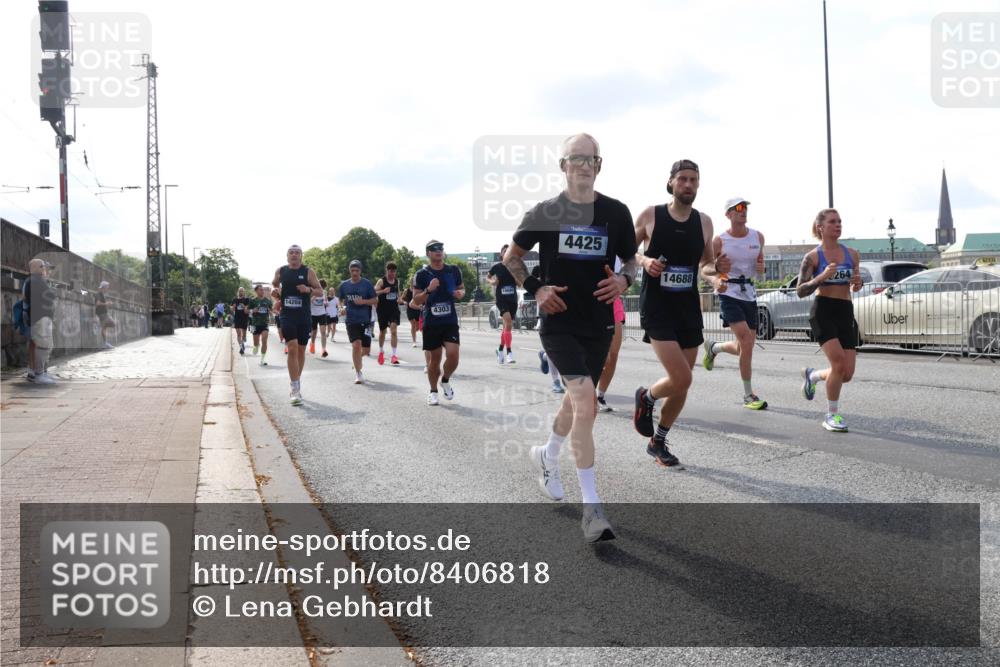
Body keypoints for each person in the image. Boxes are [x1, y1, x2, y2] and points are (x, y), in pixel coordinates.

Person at [504, 133, 638, 542]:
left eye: (590, 159)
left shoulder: (616, 213)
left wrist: (624, 278)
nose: (582, 165)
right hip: (559, 324)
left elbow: (631, 258)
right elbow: (511, 257)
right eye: (574, 159)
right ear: (562, 166)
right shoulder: (546, 212)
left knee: (574, 402)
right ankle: (592, 508)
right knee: (586, 402)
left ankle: (548, 455)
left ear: (600, 165)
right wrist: (537, 289)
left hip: (597, 323)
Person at [632, 159, 730, 469]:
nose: (689, 185)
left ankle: (658, 441)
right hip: (657, 306)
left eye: (694, 180)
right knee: (682, 376)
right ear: (672, 182)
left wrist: (717, 275)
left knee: (682, 384)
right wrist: (645, 261)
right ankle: (647, 397)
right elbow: (625, 252)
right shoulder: (651, 215)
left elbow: (705, 265)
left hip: (687, 307)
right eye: (683, 179)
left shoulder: (704, 222)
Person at [795, 208, 863, 432]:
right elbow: (800, 291)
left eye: (840, 221)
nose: (838, 225)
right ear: (820, 227)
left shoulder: (852, 254)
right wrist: (822, 277)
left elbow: (854, 283)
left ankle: (813, 375)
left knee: (847, 374)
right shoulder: (813, 257)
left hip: (845, 310)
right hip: (823, 311)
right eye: (833, 222)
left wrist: (857, 282)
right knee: (838, 364)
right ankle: (831, 415)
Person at [701, 197, 768, 410]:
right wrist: (716, 274)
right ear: (728, 214)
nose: (743, 211)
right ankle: (749, 396)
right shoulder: (719, 241)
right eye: (738, 208)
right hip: (728, 292)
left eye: (745, 207)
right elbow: (704, 268)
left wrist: (761, 269)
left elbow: (761, 268)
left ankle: (714, 348)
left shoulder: (758, 237)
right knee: (746, 342)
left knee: (744, 347)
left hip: (749, 293)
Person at [413, 240, 464, 406]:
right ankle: (433, 391)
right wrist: (428, 289)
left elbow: (462, 289)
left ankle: (445, 379)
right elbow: (416, 299)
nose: (438, 251)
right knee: (434, 359)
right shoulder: (421, 274)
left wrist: (460, 293)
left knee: (453, 356)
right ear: (428, 253)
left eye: (441, 248)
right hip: (432, 321)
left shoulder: (453, 270)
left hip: (449, 320)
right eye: (434, 249)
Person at [272, 245, 323, 405]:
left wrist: (307, 289)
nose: (294, 255)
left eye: (297, 253)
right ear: (287, 256)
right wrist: (275, 294)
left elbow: (320, 291)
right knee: (292, 347)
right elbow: (274, 285)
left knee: (301, 350)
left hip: (304, 316)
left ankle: (296, 380)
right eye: (291, 253)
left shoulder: (308, 272)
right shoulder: (281, 271)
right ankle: (294, 388)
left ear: (301, 256)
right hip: (287, 315)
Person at [338, 260, 378, 384]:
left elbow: (375, 300)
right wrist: (341, 308)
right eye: (352, 270)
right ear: (349, 270)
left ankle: (356, 361)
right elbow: (340, 300)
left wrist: (364, 302)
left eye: (357, 270)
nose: (355, 273)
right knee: (356, 345)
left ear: (360, 271)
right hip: (351, 320)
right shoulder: (344, 285)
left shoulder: (366, 284)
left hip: (366, 321)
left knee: (366, 351)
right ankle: (358, 373)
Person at [595, 258, 627, 411]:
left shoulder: (621, 245)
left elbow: (631, 266)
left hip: (613, 302)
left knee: (612, 356)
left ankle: (599, 396)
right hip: (589, 302)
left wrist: (623, 281)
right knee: (598, 356)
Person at [22, 258, 58, 384]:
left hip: (39, 318)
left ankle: (39, 372)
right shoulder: (36, 280)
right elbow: (51, 296)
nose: (45, 269)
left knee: (40, 345)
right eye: (42, 266)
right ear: (35, 268)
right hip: (40, 318)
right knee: (43, 346)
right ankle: (39, 374)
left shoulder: (34, 280)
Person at [487, 244, 518, 364]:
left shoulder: (515, 267)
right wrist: (493, 282)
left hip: (513, 300)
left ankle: (499, 350)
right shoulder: (497, 267)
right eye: (505, 251)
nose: (507, 252)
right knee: (508, 322)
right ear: (501, 254)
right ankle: (509, 352)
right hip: (501, 300)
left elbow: (520, 283)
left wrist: (517, 279)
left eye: (509, 251)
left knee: (506, 327)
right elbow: (488, 277)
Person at [374, 262, 403, 365]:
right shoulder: (381, 281)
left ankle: (394, 355)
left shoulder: (396, 281)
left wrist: (399, 298)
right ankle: (381, 351)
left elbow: (398, 292)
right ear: (387, 271)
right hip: (382, 310)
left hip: (394, 309)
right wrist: (383, 291)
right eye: (390, 271)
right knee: (383, 332)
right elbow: (373, 292)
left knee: (393, 330)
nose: (392, 273)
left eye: (394, 271)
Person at [250, 284, 272, 365]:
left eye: (263, 289)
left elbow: (271, 310)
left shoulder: (268, 301)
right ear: (256, 291)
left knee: (264, 340)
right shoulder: (252, 300)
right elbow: (246, 311)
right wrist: (253, 310)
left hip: (264, 323)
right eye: (260, 289)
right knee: (256, 343)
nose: (262, 291)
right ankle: (256, 346)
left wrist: (270, 312)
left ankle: (262, 359)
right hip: (255, 324)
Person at [309, 279, 330, 357]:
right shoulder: (312, 292)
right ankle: (312, 344)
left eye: (322, 287)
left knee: (323, 332)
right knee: (314, 333)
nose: (321, 288)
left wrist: (326, 303)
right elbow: (307, 302)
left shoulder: (324, 293)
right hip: (313, 314)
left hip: (322, 314)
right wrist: (312, 298)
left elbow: (325, 301)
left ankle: (323, 349)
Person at [401, 276, 421, 347]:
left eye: (414, 281)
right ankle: (414, 341)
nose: (413, 283)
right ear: (409, 282)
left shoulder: (418, 290)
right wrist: (404, 302)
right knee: (413, 324)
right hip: (410, 309)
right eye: (411, 281)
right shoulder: (406, 291)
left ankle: (413, 333)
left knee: (418, 326)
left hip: (418, 308)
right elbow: (401, 299)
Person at [95, 280, 115, 349]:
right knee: (112, 323)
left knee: (104, 328)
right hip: (102, 314)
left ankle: (105, 343)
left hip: (103, 313)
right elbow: (97, 303)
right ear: (103, 287)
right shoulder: (98, 294)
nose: (107, 289)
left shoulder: (102, 294)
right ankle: (105, 343)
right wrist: (106, 303)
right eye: (107, 287)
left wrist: (107, 303)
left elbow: (101, 303)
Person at [232, 287, 251, 355]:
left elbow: (248, 310)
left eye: (242, 291)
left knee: (244, 335)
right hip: (237, 318)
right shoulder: (235, 300)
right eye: (240, 291)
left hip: (244, 318)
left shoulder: (247, 299)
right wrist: (233, 307)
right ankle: (241, 347)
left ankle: (243, 341)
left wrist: (244, 307)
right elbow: (232, 310)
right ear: (238, 292)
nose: (241, 292)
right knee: (238, 334)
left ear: (244, 292)